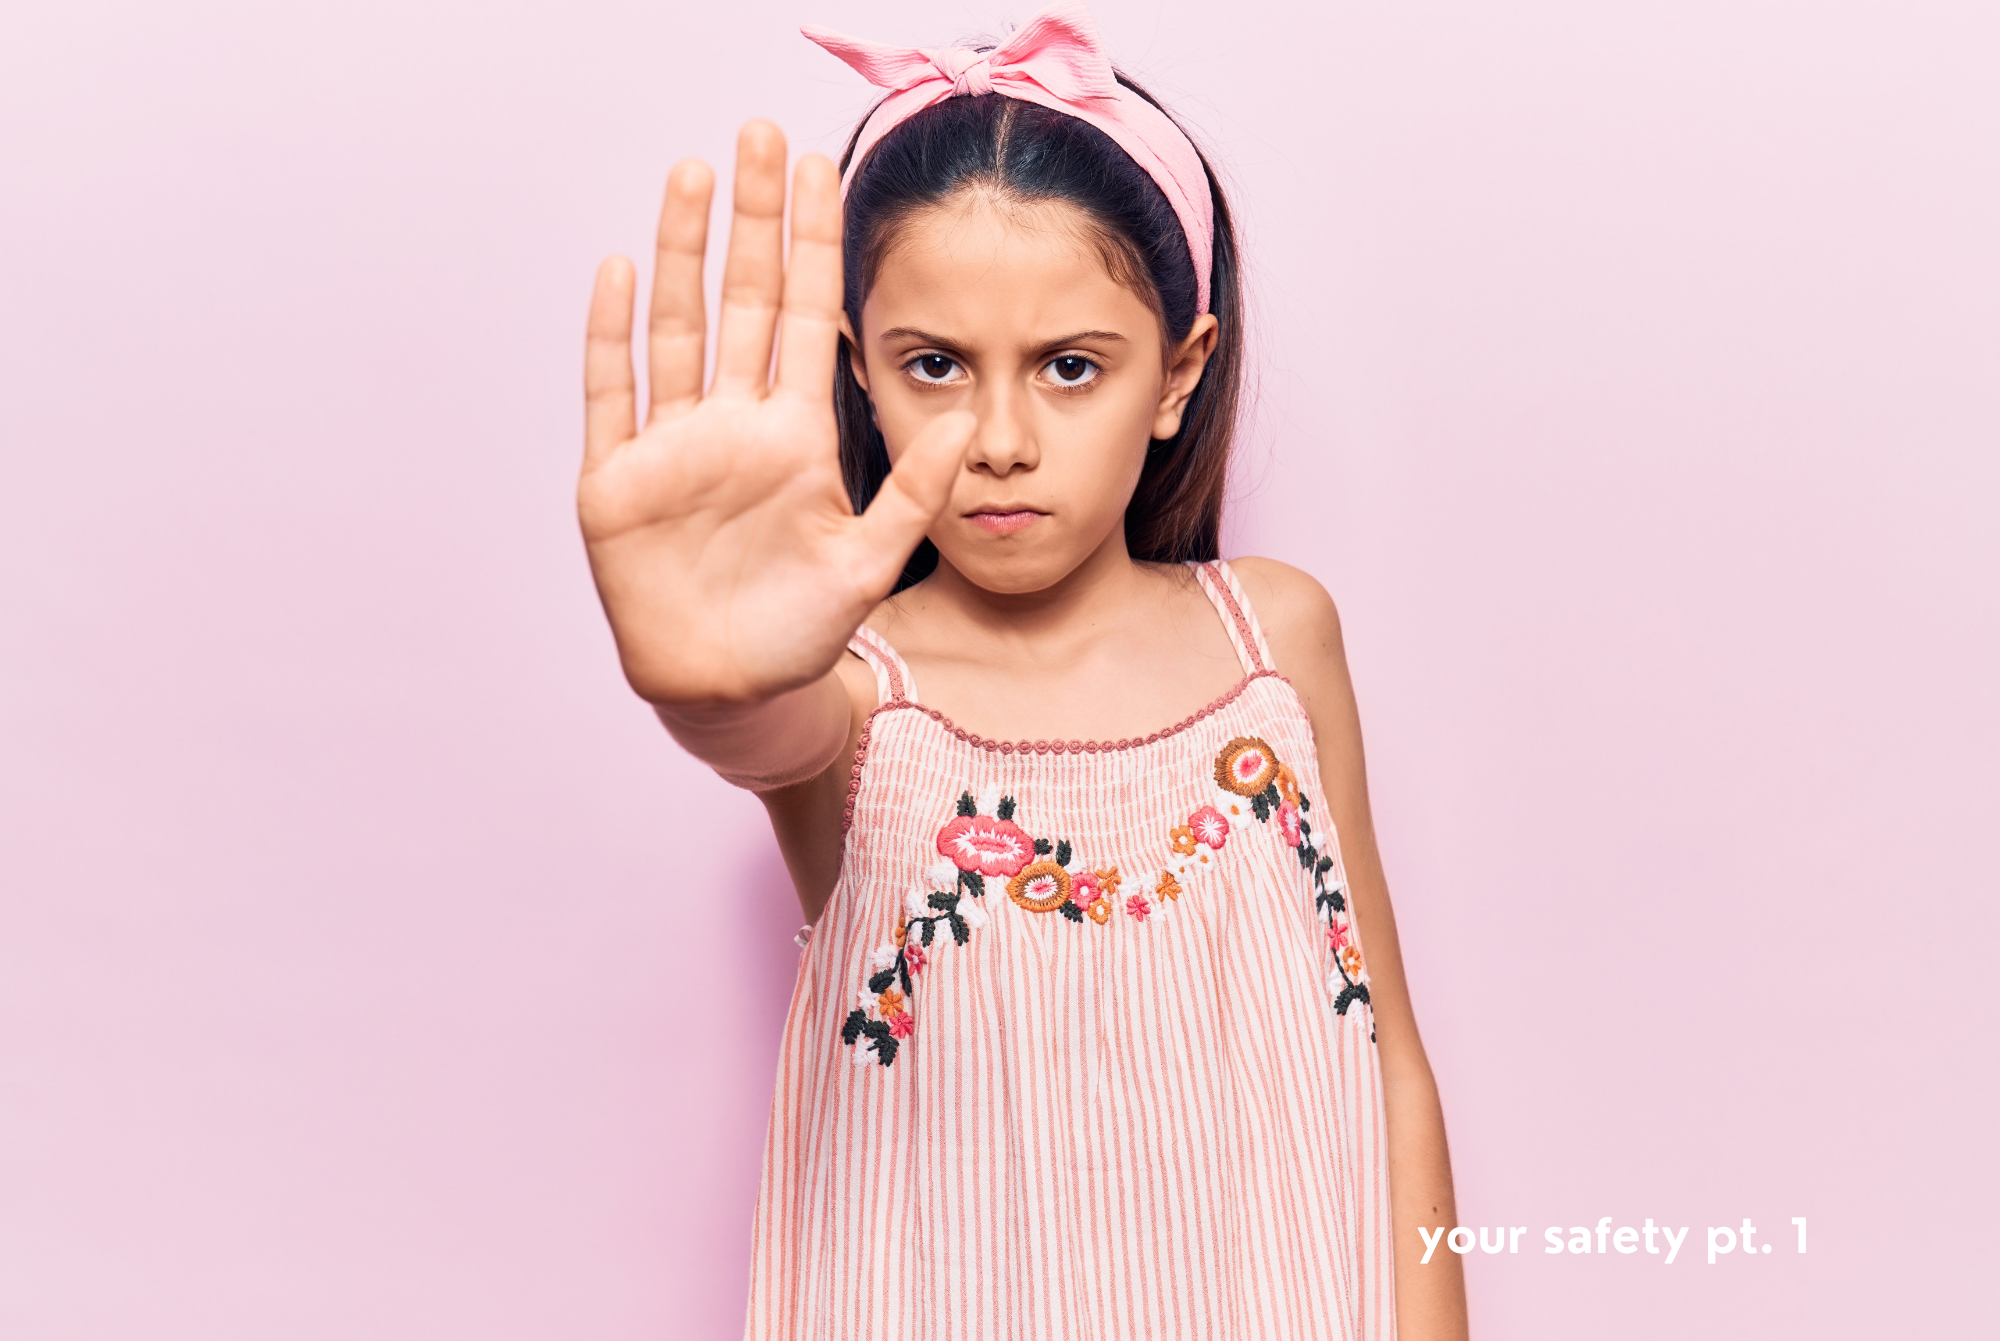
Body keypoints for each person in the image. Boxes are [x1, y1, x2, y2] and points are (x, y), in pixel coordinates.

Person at [576, 3, 1466, 1336]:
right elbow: (770, 731)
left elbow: (1386, 1053)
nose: (999, 439)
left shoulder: (1277, 643)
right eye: (933, 365)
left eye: (1068, 368)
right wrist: (711, 688)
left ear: (1178, 373)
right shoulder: (866, 695)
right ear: (859, 379)